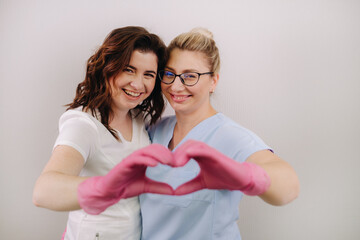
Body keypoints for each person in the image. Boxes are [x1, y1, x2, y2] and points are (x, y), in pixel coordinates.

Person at [139, 28, 300, 239]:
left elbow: (287, 188)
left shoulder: (229, 136)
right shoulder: (154, 130)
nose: (176, 86)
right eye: (169, 74)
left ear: (213, 81)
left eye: (190, 76)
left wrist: (239, 173)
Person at [32, 26, 174, 240]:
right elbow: (44, 191)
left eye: (149, 74)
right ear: (108, 67)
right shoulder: (83, 124)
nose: (138, 84)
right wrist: (110, 185)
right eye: (129, 69)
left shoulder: (137, 119)